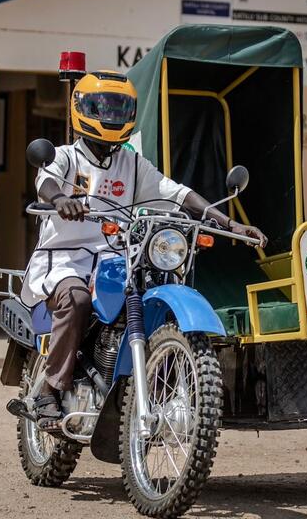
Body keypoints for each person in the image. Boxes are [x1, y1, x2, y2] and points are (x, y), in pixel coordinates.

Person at [18, 70, 267, 427]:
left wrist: (229, 222)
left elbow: (175, 191)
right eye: (102, 107)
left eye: (120, 108)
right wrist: (60, 200)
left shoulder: (131, 162)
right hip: (64, 259)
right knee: (75, 299)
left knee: (151, 287)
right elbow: (45, 180)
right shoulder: (65, 157)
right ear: (80, 109)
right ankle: (50, 390)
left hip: (113, 258)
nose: (111, 115)